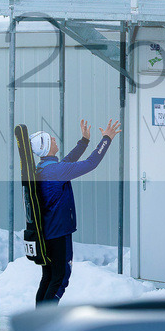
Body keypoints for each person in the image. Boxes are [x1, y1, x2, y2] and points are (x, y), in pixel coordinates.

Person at [30, 117, 122, 306]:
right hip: (58, 232)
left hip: (48, 232)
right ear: (46, 147)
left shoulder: (45, 168)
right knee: (60, 279)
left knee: (48, 277)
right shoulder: (55, 171)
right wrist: (106, 139)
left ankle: (38, 321)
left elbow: (68, 161)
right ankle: (45, 323)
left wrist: (84, 141)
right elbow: (91, 164)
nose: (55, 140)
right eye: (51, 139)